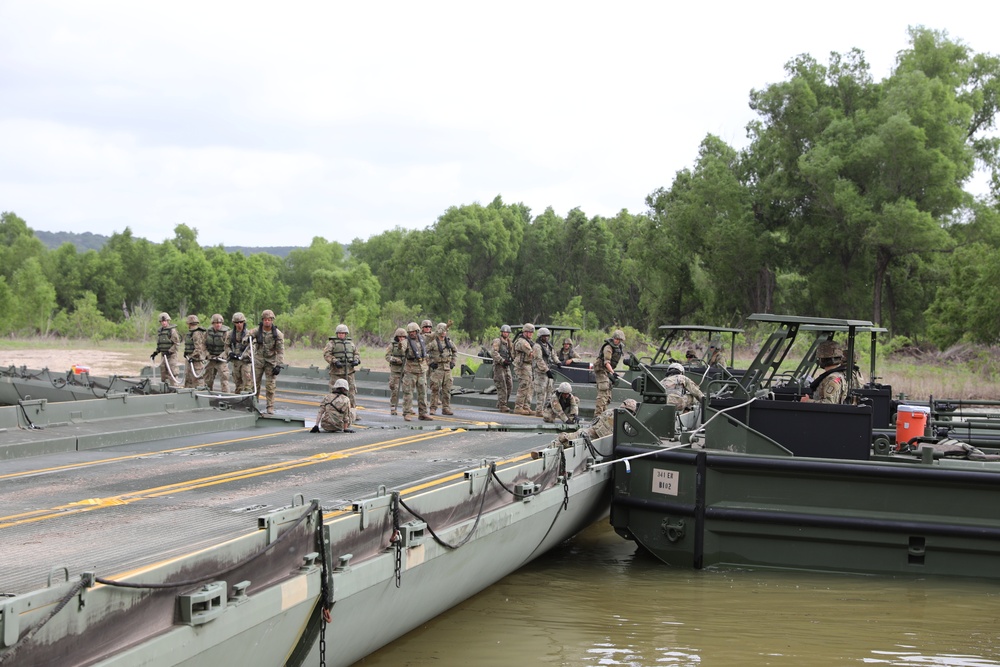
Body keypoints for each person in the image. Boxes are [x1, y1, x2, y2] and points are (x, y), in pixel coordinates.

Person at [554, 398, 638, 447]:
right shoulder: (612, 413)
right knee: (567, 439)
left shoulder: (625, 420)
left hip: (598, 439)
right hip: (591, 434)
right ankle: (554, 444)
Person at [249, 309, 285, 414]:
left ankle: (270, 407)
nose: (267, 322)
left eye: (269, 320)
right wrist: (247, 339)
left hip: (271, 362)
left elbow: (280, 351)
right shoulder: (257, 331)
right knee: (255, 385)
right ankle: (254, 405)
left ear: (272, 320)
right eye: (265, 320)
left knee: (270, 386)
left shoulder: (277, 334)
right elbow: (247, 336)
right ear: (262, 320)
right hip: (258, 361)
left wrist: (278, 365)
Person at [323, 323, 361, 415]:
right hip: (336, 372)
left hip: (349, 372)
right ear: (337, 334)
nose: (341, 335)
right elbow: (326, 354)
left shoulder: (350, 344)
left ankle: (352, 412)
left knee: (351, 392)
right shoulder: (331, 344)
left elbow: (356, 353)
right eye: (339, 333)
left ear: (346, 334)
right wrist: (335, 361)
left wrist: (356, 360)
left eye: (343, 333)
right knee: (334, 392)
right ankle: (332, 411)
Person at [401, 321, 432, 421]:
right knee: (408, 393)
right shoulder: (406, 341)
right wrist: (401, 347)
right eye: (410, 332)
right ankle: (407, 412)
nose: (412, 334)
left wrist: (445, 328)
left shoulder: (423, 339)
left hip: (422, 370)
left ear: (417, 331)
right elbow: (402, 347)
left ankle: (423, 413)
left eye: (413, 332)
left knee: (423, 393)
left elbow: (434, 335)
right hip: (410, 371)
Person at [427, 322, 457, 415]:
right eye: (443, 331)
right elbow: (424, 352)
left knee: (447, 390)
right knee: (435, 389)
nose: (444, 333)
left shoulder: (449, 342)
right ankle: (433, 408)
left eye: (446, 331)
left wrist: (453, 362)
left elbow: (455, 351)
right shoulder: (433, 343)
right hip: (437, 368)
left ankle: (446, 408)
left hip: (447, 369)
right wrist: (430, 362)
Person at [594, 329, 625, 414]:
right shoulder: (608, 348)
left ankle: (604, 413)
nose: (617, 341)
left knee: (608, 393)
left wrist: (611, 372)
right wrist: (613, 372)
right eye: (616, 339)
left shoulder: (619, 347)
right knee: (603, 390)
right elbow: (606, 362)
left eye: (619, 340)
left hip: (607, 370)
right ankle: (597, 415)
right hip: (601, 369)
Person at [151, 312, 182, 388]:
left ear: (168, 321)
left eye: (165, 321)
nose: (164, 323)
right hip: (163, 355)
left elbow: (177, 344)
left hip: (171, 355)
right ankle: (164, 388)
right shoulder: (160, 331)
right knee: (163, 372)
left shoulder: (172, 331)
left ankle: (174, 387)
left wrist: (169, 351)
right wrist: (156, 352)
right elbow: (160, 344)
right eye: (162, 321)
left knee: (172, 372)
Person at [203, 314, 230, 392]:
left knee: (224, 379)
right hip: (211, 358)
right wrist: (207, 354)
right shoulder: (208, 332)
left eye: (220, 323)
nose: (218, 325)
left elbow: (228, 346)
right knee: (207, 379)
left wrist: (222, 356)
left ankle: (226, 396)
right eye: (216, 323)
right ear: (213, 323)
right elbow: (203, 345)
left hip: (221, 360)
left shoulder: (226, 333)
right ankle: (206, 395)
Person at [531, 327, 556, 416]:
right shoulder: (537, 346)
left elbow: (553, 355)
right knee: (541, 392)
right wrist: (546, 370)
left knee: (549, 391)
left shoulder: (549, 346)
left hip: (548, 370)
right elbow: (539, 360)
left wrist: (559, 363)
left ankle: (546, 410)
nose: (546, 338)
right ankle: (539, 410)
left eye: (547, 336)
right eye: (544, 336)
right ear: (540, 337)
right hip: (540, 372)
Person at [491, 324, 514, 413]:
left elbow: (512, 353)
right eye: (504, 332)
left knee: (510, 385)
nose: (506, 334)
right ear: (501, 333)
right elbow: (494, 353)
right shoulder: (497, 341)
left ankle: (502, 402)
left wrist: (512, 359)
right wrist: (502, 360)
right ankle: (502, 405)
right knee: (502, 385)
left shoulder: (509, 342)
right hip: (499, 366)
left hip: (506, 366)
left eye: (507, 332)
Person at [513, 323, 535, 415]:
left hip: (528, 365)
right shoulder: (522, 342)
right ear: (525, 332)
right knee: (524, 385)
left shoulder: (529, 341)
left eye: (532, 332)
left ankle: (526, 406)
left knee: (530, 386)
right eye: (529, 332)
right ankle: (518, 407)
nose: (530, 334)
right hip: (522, 366)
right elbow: (531, 353)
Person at [228, 312, 253, 394]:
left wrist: (245, 354)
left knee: (247, 385)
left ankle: (247, 402)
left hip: (245, 362)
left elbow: (253, 348)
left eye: (241, 322)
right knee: (238, 385)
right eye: (237, 322)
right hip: (235, 362)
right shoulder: (231, 334)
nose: (239, 324)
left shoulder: (249, 334)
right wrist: (230, 353)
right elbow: (226, 346)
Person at [384, 327, 407, 416]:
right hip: (395, 370)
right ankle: (393, 407)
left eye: (403, 337)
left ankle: (407, 408)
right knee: (395, 389)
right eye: (399, 337)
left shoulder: (408, 345)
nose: (401, 339)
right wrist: (395, 360)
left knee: (407, 390)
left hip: (406, 370)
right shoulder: (392, 346)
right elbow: (387, 357)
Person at [183, 314, 208, 389]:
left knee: (198, 380)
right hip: (190, 359)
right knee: (188, 379)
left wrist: (192, 356)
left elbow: (198, 349)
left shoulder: (196, 333)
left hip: (196, 360)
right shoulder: (191, 333)